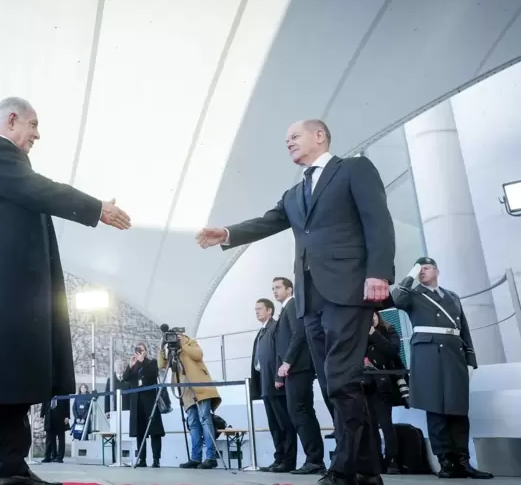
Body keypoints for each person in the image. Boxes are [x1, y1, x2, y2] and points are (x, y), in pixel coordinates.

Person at [0, 96, 131, 485]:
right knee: (3, 371)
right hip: (0, 294)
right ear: (12, 120)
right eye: (32, 125)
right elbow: (41, 190)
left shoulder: (2, 163)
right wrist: (95, 207)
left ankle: (11, 469)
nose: (36, 135)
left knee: (17, 373)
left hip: (11, 292)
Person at [197, 119, 396, 485]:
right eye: (285, 139)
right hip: (310, 298)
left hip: (348, 289)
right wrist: (227, 233)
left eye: (294, 136)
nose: (288, 142)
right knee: (332, 382)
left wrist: (379, 272)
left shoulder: (352, 169)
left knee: (340, 379)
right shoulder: (294, 194)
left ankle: (345, 468)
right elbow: (268, 222)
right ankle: (366, 472)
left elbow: (378, 220)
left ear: (319, 135)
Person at [390, 257, 492, 479]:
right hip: (428, 354)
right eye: (420, 269)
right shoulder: (414, 294)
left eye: (426, 268)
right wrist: (410, 275)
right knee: (435, 409)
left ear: (437, 271)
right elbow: (397, 299)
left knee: (458, 409)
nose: (422, 272)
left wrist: (470, 358)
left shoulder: (452, 296)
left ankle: (463, 461)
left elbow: (462, 326)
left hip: (453, 355)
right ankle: (446, 461)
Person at [273, 278, 326, 475]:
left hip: (299, 367)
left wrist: (287, 362)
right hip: (294, 368)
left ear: (289, 289)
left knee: (300, 411)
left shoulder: (293, 304)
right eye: (273, 288)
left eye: (278, 287)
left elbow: (299, 334)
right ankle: (313, 458)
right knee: (299, 412)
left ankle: (315, 460)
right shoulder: (285, 310)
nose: (274, 291)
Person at [158, 331, 221, 469]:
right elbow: (161, 365)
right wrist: (162, 347)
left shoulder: (189, 342)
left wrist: (183, 345)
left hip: (200, 388)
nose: (174, 338)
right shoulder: (172, 350)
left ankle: (211, 457)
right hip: (185, 392)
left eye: (176, 335)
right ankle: (196, 458)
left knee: (205, 420)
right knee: (193, 423)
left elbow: (198, 355)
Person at [249, 298, 297, 472]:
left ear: (269, 310)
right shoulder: (262, 331)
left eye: (260, 308)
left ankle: (288, 460)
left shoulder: (275, 327)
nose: (257, 312)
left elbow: (280, 353)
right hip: (265, 384)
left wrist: (279, 376)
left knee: (285, 424)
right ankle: (279, 458)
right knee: (274, 425)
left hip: (276, 384)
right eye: (255, 309)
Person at [363, 311, 403, 474]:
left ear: (378, 316)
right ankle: (376, 461)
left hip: (383, 383)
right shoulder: (357, 333)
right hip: (365, 384)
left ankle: (392, 460)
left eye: (373, 314)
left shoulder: (388, 330)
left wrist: (374, 334)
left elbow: (393, 351)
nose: (371, 317)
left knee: (386, 423)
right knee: (370, 425)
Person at [123, 342, 163, 468]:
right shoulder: (134, 365)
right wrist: (131, 365)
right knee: (139, 431)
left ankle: (156, 459)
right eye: (137, 349)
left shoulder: (151, 362)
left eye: (141, 349)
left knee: (154, 431)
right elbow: (126, 378)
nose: (139, 351)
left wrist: (143, 361)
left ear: (145, 351)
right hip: (137, 402)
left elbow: (152, 374)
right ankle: (142, 459)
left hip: (150, 401)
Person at [41, 398, 70, 463]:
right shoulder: (48, 392)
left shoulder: (63, 392)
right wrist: (42, 416)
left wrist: (67, 416)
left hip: (60, 417)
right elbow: (44, 403)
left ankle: (59, 457)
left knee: (61, 438)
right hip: (50, 417)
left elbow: (67, 404)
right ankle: (49, 456)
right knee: (50, 439)